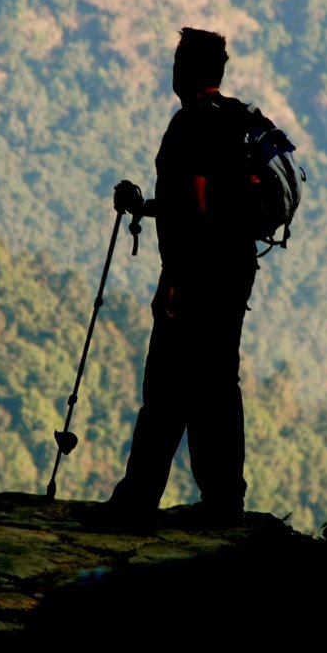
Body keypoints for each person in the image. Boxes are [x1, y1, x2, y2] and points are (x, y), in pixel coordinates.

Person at [103, 27, 258, 527]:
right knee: (217, 384)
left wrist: (173, 277)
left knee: (167, 386)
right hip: (236, 269)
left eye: (175, 62)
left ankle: (136, 501)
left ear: (185, 71)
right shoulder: (239, 120)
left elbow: (194, 206)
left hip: (197, 276)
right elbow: (215, 204)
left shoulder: (189, 125)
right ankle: (224, 502)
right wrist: (145, 207)